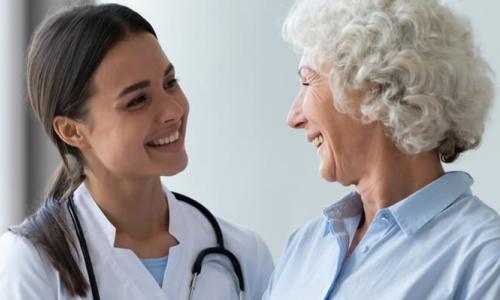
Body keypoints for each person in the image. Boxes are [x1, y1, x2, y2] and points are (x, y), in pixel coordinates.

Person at [0, 4, 273, 300]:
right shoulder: (31, 263)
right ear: (72, 130)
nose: (173, 110)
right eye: (138, 100)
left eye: (170, 83)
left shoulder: (242, 254)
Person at [264, 0, 500, 299]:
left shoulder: (484, 260)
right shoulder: (305, 246)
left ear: (372, 85)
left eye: (307, 82)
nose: (293, 117)